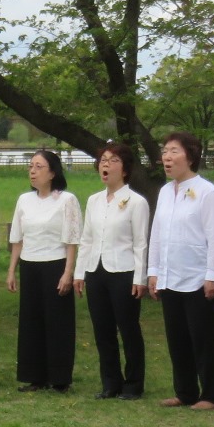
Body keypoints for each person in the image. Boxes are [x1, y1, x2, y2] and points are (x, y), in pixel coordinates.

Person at [148, 132, 214, 410]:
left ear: (190, 156)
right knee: (177, 338)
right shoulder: (165, 192)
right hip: (170, 276)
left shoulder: (207, 192)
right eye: (165, 152)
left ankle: (213, 395)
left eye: (173, 152)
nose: (167, 158)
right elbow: (157, 233)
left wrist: (212, 275)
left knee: (203, 338)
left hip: (197, 278)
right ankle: (185, 391)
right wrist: (153, 270)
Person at [76, 141, 150, 400]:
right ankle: (110, 382)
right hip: (96, 270)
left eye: (113, 160)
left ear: (125, 169)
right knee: (102, 329)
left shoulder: (136, 202)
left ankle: (133, 384)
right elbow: (86, 239)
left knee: (128, 329)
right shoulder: (94, 200)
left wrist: (140, 277)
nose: (105, 165)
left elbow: (141, 242)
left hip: (124, 271)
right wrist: (79, 273)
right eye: (103, 160)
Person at [6, 150, 83, 393]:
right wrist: (11, 271)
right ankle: (34, 376)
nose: (32, 171)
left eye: (39, 166)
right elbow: (17, 238)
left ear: (52, 172)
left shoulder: (66, 200)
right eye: (31, 166)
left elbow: (72, 240)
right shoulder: (24, 200)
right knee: (31, 322)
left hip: (55, 264)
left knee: (57, 323)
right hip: (30, 265)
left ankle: (59, 378)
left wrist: (68, 272)